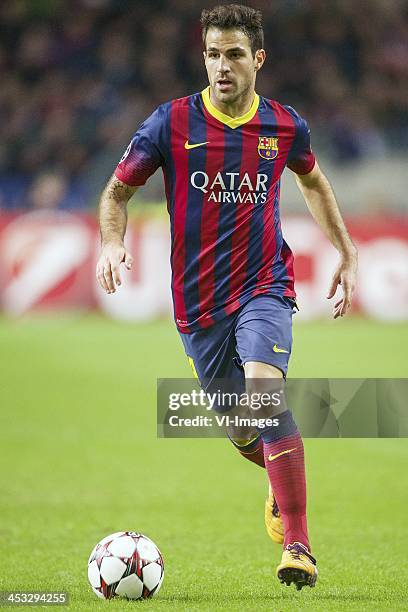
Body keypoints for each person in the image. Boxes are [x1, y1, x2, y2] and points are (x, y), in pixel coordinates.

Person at [96, 4, 357, 590]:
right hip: (198, 306)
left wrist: (347, 250)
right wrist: (111, 245)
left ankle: (298, 545)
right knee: (245, 429)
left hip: (265, 285)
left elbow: (312, 179)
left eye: (234, 54)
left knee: (265, 394)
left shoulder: (285, 126)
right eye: (213, 54)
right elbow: (116, 194)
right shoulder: (169, 124)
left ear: (257, 59)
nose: (221, 66)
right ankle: (276, 474)